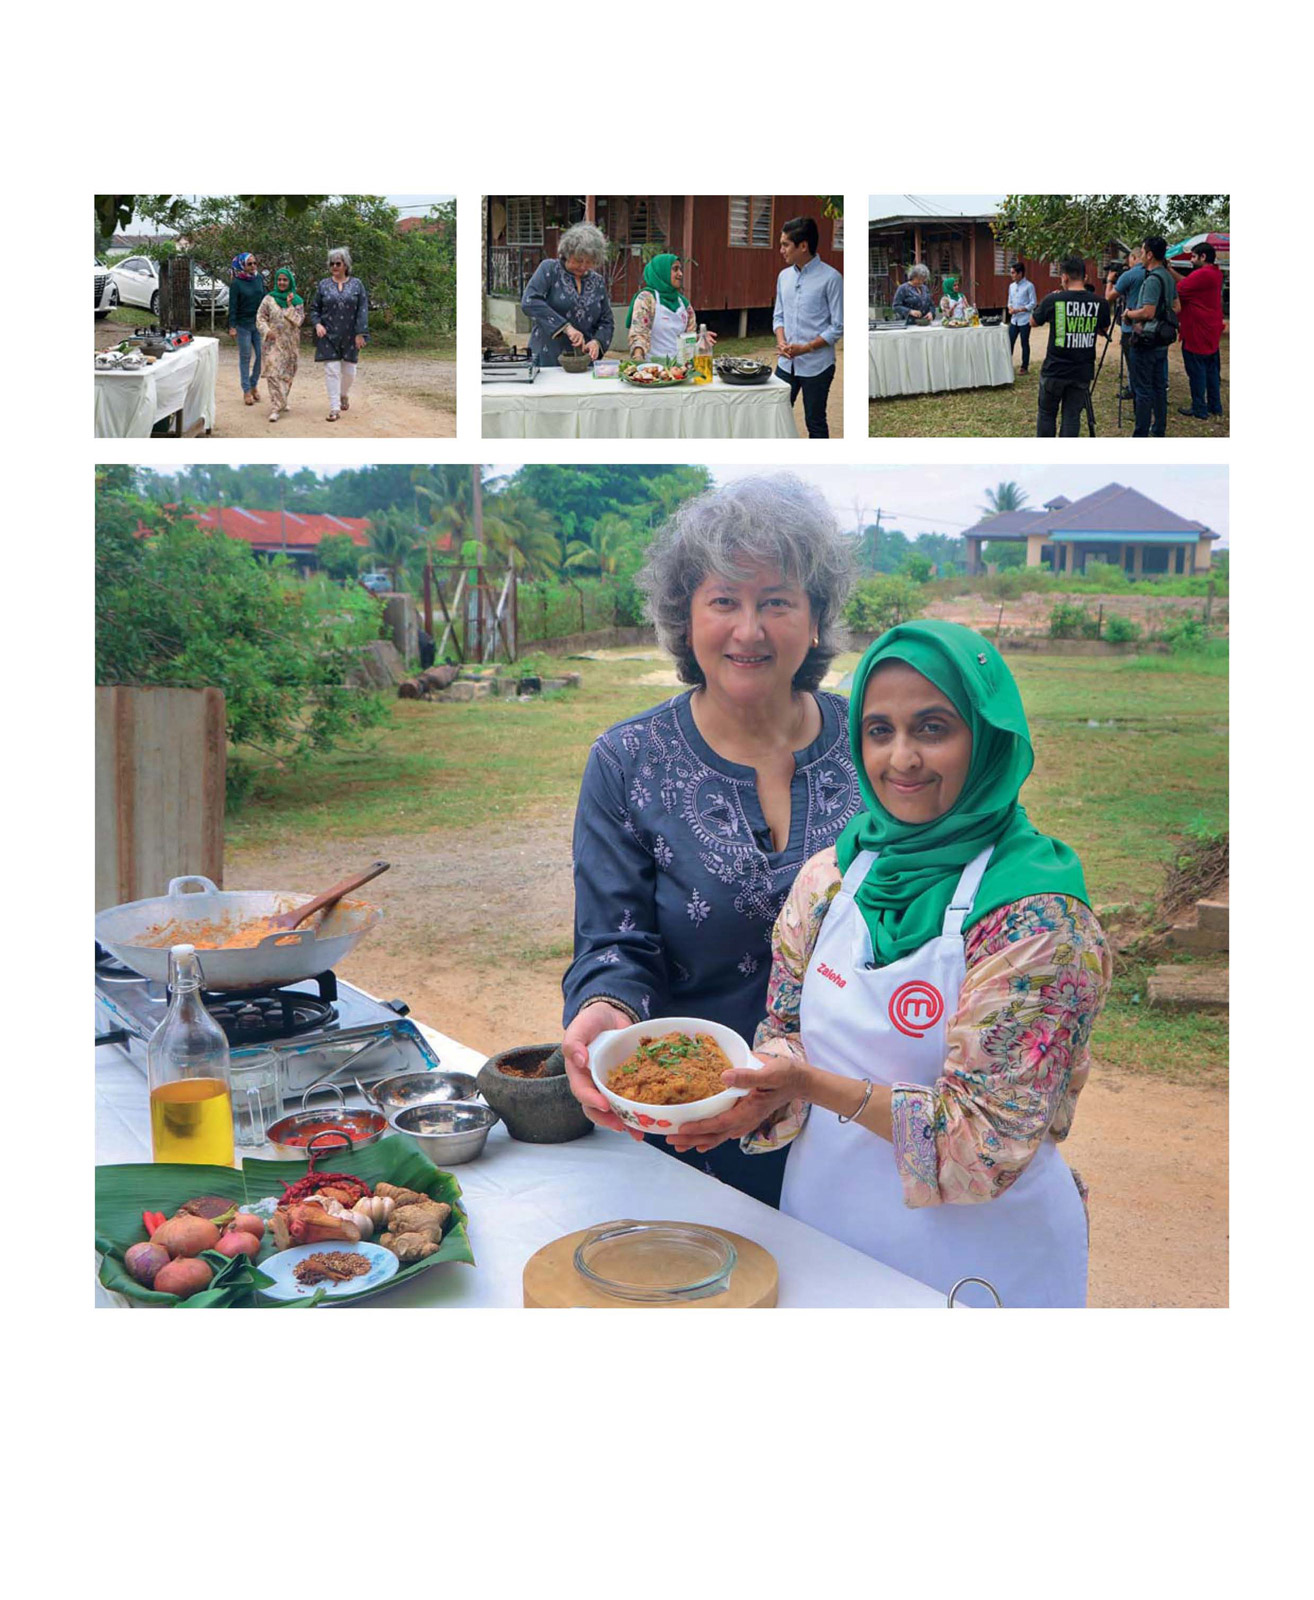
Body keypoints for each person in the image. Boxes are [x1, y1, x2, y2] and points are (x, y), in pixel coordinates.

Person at [669, 621, 1111, 1307]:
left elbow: (981, 1144)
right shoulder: (833, 878)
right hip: (824, 1230)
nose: (901, 758)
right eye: (879, 730)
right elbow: (787, 1029)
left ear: (987, 738)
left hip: (982, 1266)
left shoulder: (1037, 919)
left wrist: (810, 1083)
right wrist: (754, 1093)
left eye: (932, 728)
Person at [560, 474, 861, 1208]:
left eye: (777, 601)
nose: (749, 630)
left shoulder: (875, 748)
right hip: (697, 1119)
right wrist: (605, 1015)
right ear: (686, 619)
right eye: (724, 600)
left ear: (816, 618)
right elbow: (615, 942)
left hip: (858, 1126)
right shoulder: (627, 761)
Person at [773, 216, 843, 438]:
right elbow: (778, 316)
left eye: (785, 244)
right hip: (786, 364)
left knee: (815, 421)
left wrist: (806, 348)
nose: (781, 250)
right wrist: (781, 342)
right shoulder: (783, 277)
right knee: (775, 416)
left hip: (817, 365)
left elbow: (838, 326)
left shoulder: (832, 278)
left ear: (803, 246)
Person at [1030, 255, 1111, 437]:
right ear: (1085, 278)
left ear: (1064, 277)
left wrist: (1049, 300)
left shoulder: (1053, 300)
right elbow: (1103, 330)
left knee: (1046, 414)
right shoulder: (1100, 303)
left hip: (1054, 370)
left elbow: (1033, 322)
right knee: (1072, 416)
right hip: (1081, 372)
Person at [521, 223, 614, 369]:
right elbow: (529, 301)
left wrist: (597, 342)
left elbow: (606, 320)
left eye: (589, 262)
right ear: (566, 254)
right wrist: (565, 327)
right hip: (548, 358)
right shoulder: (550, 270)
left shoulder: (598, 281)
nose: (583, 267)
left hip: (583, 360)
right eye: (578, 260)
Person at [1121, 236, 1177, 437]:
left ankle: (1141, 433)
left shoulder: (1153, 279)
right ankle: (1159, 429)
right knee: (1159, 387)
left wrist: (1128, 314)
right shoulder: (1168, 277)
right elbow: (1176, 307)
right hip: (1160, 342)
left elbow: (1148, 312)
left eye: (1143, 252)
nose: (1141, 256)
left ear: (1150, 254)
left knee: (1143, 390)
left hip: (1146, 340)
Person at [309, 247, 369, 423]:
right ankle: (334, 407)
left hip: (351, 335)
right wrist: (318, 324)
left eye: (338, 263)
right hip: (328, 334)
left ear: (345, 265)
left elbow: (362, 310)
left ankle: (343, 394)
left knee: (350, 372)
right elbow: (314, 309)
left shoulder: (357, 285)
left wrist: (361, 333)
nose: (334, 266)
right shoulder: (323, 285)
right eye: (331, 263)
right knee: (332, 371)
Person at [1170, 242, 1226, 420]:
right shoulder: (1215, 273)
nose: (1191, 260)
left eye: (1194, 256)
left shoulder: (1202, 274)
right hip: (1211, 328)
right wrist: (1171, 270)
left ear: (1203, 257)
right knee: (1211, 369)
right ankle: (1215, 405)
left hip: (1197, 330)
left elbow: (1179, 289)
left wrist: (1167, 273)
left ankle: (1199, 408)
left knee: (1196, 371)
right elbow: (1187, 283)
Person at [626, 254, 711, 361]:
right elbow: (639, 333)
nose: (680, 274)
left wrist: (699, 338)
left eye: (680, 269)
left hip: (680, 369)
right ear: (662, 272)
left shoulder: (683, 304)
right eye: (675, 269)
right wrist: (638, 359)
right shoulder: (647, 299)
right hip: (653, 368)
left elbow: (688, 337)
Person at [255, 268, 304, 424]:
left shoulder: (297, 301)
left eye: (285, 280)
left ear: (290, 282)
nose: (282, 283)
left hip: (290, 344)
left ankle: (283, 399)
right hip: (273, 343)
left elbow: (299, 321)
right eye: (279, 280)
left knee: (288, 374)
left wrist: (289, 306)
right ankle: (276, 407)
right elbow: (260, 317)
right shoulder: (269, 299)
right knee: (273, 373)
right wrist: (266, 330)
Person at [1106, 245, 1146, 401]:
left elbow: (1109, 297)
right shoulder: (1153, 273)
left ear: (1135, 257)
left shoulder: (1130, 275)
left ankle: (1134, 390)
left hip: (1130, 325)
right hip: (1149, 326)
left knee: (1132, 362)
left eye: (1129, 258)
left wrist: (1110, 280)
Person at [226, 252, 266, 406]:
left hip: (258, 323)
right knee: (246, 357)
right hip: (243, 325)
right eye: (250, 264)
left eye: (255, 263)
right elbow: (233, 306)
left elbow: (264, 298)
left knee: (261, 355)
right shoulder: (236, 283)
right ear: (242, 265)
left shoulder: (259, 279)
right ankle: (246, 390)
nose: (254, 266)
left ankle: (253, 383)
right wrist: (232, 326)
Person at [1006, 260, 1037, 372]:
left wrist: (1019, 310)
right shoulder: (1011, 286)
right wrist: (1010, 308)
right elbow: (1009, 301)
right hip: (1014, 320)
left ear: (1020, 273)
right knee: (1009, 341)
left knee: (1024, 342)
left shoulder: (1029, 286)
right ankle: (1007, 364)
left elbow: (1033, 303)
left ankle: (1024, 366)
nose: (1011, 275)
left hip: (1024, 319)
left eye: (1013, 273)